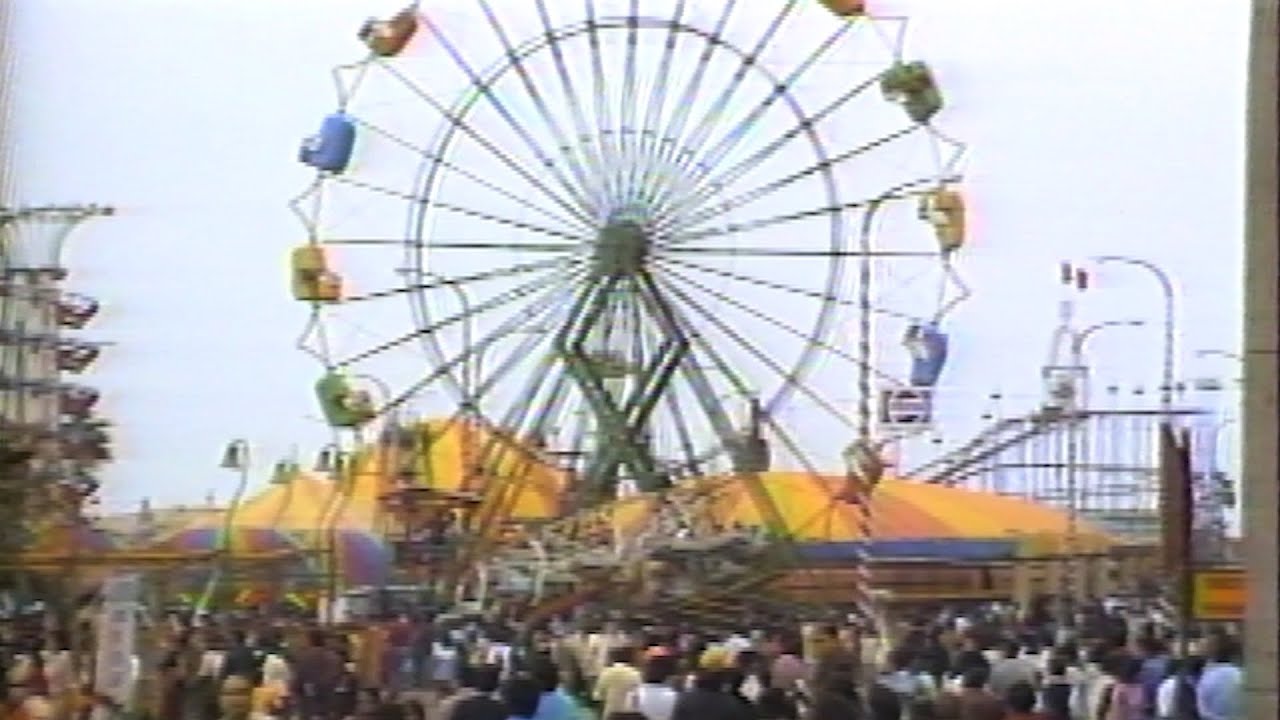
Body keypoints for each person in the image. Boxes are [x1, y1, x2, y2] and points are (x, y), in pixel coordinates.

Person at [593, 648, 642, 718]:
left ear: (612, 659)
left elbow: (598, 695)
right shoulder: (635, 673)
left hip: (610, 712)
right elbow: (637, 697)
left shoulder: (606, 672)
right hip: (628, 712)